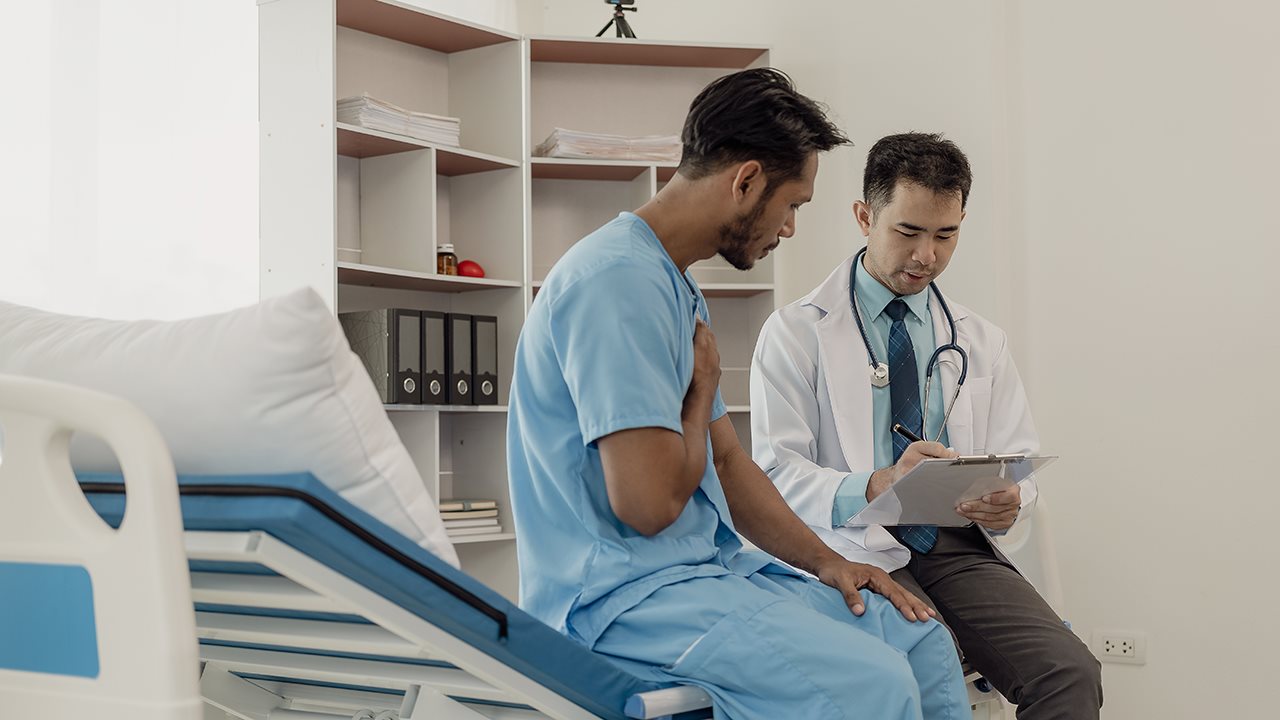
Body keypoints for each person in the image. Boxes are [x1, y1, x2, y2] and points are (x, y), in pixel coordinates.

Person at [507, 71, 973, 720]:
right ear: (746, 181)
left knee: (919, 639)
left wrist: (827, 562)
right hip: (624, 602)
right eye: (792, 206)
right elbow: (645, 507)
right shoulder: (616, 284)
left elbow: (729, 464)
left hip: (706, 577)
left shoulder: (672, 283)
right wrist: (700, 396)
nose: (787, 230)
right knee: (872, 685)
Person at [750, 132, 1103, 718]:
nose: (926, 257)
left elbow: (1018, 457)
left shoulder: (979, 339)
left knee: (1068, 673)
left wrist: (1012, 498)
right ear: (865, 216)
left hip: (954, 545)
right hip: (849, 541)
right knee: (927, 665)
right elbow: (772, 471)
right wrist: (873, 484)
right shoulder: (797, 332)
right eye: (908, 233)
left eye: (947, 235)